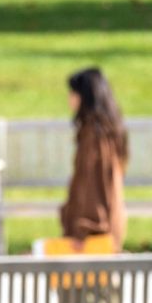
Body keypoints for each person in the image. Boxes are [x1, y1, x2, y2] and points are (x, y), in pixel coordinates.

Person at [59, 66, 128, 250]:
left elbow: (93, 187)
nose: (69, 97)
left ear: (85, 96)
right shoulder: (107, 130)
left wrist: (84, 229)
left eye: (73, 92)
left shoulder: (95, 137)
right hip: (106, 227)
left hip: (95, 233)